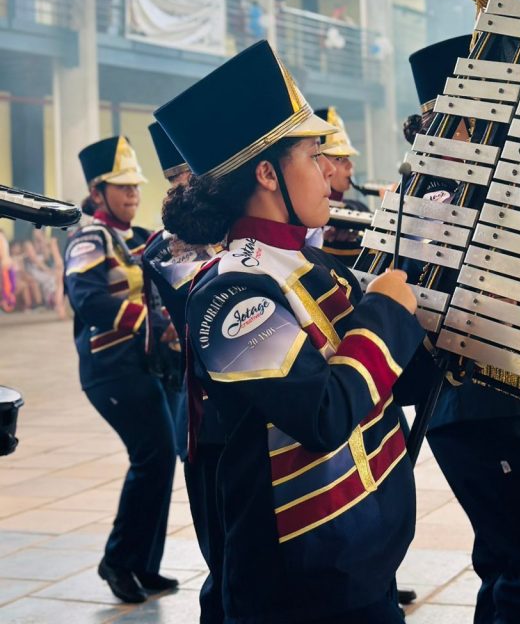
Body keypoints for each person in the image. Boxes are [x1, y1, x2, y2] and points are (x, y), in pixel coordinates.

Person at [154, 40, 425, 624]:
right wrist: (385, 312)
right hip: (298, 580)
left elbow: (387, 383)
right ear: (266, 173)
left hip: (360, 559)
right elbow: (323, 414)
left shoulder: (314, 265)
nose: (330, 170)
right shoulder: (228, 292)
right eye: (313, 154)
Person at [404, 34, 520, 624]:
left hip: (495, 403)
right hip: (476, 405)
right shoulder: (439, 193)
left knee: (508, 564)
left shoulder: (467, 184)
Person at [63, 136, 179, 605]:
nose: (133, 194)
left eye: (135, 186)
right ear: (97, 192)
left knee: (160, 458)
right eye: (122, 186)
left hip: (148, 364)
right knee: (153, 454)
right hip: (112, 367)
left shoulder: (141, 236)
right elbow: (87, 299)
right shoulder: (88, 237)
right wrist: (151, 325)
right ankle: (118, 560)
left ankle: (143, 564)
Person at [143, 120, 226, 624]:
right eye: (182, 180)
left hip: (235, 420)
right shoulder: (167, 249)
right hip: (206, 420)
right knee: (224, 561)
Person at [314, 106, 368, 267]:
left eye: (348, 157)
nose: (350, 165)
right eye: (339, 158)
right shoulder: (307, 217)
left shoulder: (359, 208)